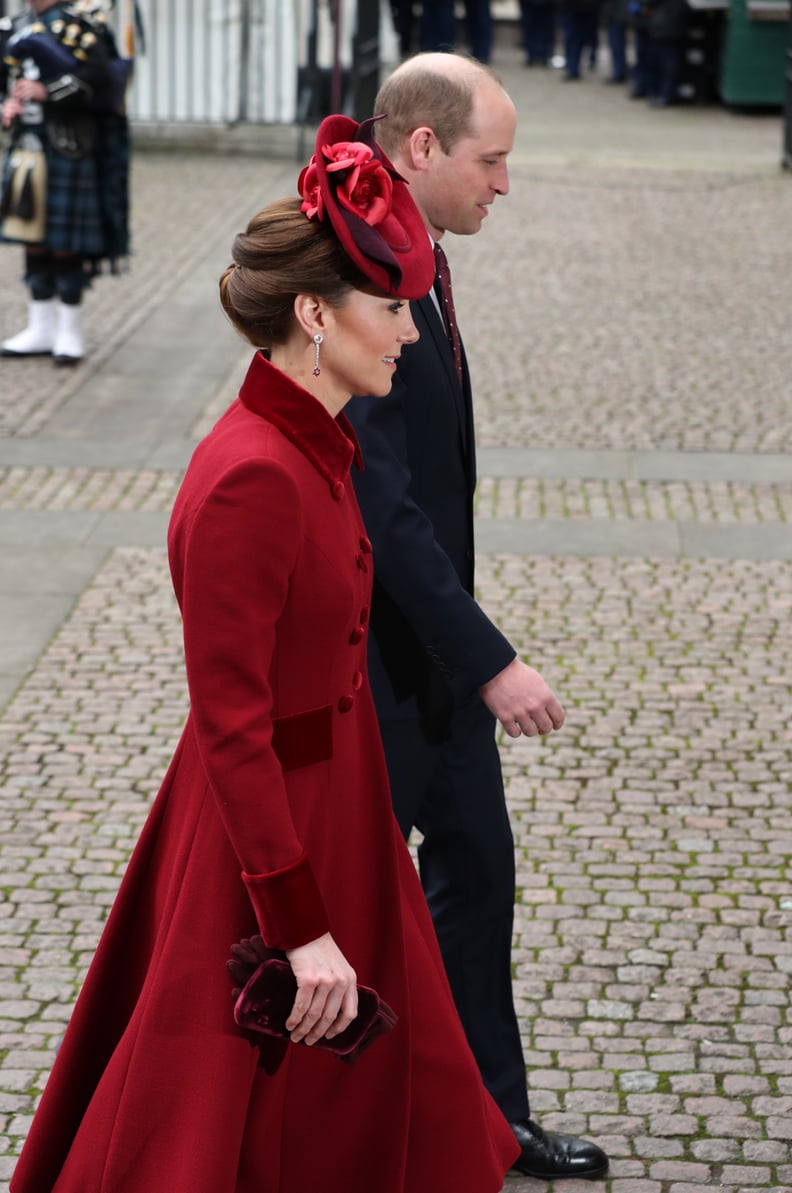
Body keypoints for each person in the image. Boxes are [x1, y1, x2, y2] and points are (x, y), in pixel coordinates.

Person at [9, 112, 520, 1193]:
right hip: (268, 842)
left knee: (376, 1097)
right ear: (312, 313)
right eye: (388, 309)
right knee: (214, 1114)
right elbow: (233, 724)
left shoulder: (313, 450)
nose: (409, 334)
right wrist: (298, 927)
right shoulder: (252, 476)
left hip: (342, 816)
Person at [345, 53, 610, 1182]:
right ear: (421, 149)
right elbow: (382, 503)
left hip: (438, 654)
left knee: (476, 881)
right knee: (353, 911)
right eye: (490, 161)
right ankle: (334, 1134)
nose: (504, 183)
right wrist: (492, 659)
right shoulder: (356, 269)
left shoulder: (420, 253)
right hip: (375, 664)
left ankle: (487, 1122)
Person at [0, 0, 130, 365]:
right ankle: (40, 327)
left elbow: (102, 83)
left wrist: (47, 91)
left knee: (64, 243)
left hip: (68, 148)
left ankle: (69, 329)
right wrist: (6, 108)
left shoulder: (84, 26)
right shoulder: (13, 26)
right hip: (26, 147)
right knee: (32, 239)